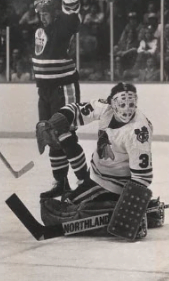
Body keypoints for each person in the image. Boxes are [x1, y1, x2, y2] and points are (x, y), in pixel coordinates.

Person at [37, 83, 162, 237]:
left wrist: (130, 209)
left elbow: (142, 177)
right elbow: (77, 110)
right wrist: (58, 119)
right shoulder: (105, 108)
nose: (127, 109)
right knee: (75, 201)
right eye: (122, 104)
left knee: (69, 203)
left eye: (131, 105)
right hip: (98, 174)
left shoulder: (138, 132)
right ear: (112, 103)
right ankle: (149, 209)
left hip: (116, 182)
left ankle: (135, 208)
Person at [31, 0, 89, 199]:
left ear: (54, 12)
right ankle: (60, 183)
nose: (41, 15)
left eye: (44, 12)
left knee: (64, 134)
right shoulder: (43, 23)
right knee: (49, 134)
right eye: (39, 12)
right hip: (44, 89)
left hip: (63, 87)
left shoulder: (64, 23)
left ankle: (85, 182)